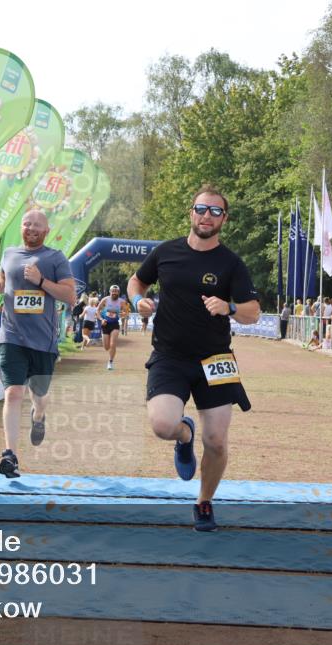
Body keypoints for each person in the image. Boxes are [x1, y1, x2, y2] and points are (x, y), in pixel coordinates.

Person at [127, 185, 260, 532]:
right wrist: (135, 300)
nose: (207, 216)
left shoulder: (231, 263)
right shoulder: (166, 252)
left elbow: (253, 312)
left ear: (224, 219)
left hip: (215, 358)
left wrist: (228, 306)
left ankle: (204, 502)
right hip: (170, 356)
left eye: (215, 211)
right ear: (191, 213)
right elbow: (136, 282)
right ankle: (184, 435)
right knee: (162, 426)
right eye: (201, 209)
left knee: (216, 441)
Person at [0, 209, 76, 478]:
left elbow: (70, 295)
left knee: (39, 398)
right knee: (14, 393)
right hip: (12, 336)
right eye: (27, 223)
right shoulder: (9, 254)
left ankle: (38, 417)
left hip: (43, 341)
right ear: (21, 228)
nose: (32, 228)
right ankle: (10, 455)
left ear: (47, 230)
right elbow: (1, 280)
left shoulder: (56, 258)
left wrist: (41, 281)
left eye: (38, 225)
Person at [98, 285, 124, 370]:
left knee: (113, 344)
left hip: (115, 324)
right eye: (113, 291)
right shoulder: (105, 300)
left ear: (118, 293)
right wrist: (101, 319)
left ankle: (110, 362)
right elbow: (97, 310)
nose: (114, 293)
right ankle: (110, 353)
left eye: (116, 291)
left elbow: (127, 311)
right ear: (110, 292)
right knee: (106, 347)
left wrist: (123, 314)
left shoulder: (122, 301)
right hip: (105, 324)